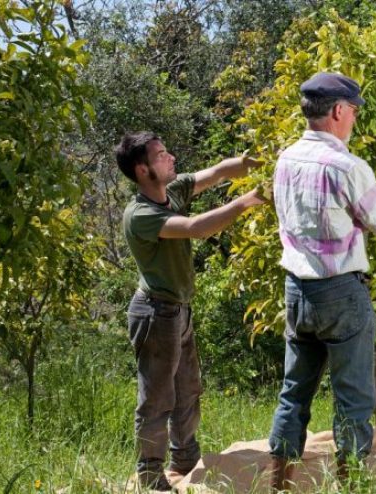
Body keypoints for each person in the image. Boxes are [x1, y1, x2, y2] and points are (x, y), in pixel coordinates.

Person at [267, 72, 376, 490]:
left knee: (293, 394)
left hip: (297, 290)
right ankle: (351, 486)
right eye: (353, 110)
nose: (354, 118)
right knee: (354, 401)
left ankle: (279, 485)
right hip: (340, 291)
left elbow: (315, 221)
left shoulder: (286, 158)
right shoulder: (347, 166)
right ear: (338, 111)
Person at [116, 131, 269, 490]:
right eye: (160, 155)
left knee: (188, 389)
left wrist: (253, 165)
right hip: (155, 314)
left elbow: (217, 172)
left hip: (178, 309)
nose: (170, 158)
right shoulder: (141, 214)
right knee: (157, 399)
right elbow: (196, 229)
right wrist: (247, 201)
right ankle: (152, 477)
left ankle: (184, 460)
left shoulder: (173, 192)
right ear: (142, 170)